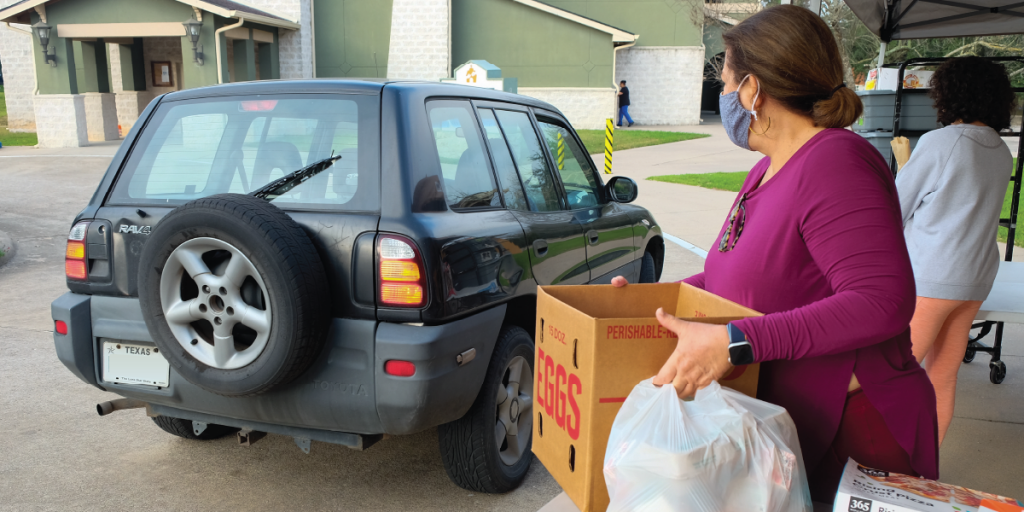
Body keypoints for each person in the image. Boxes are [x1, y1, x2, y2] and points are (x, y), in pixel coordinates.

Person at [612, 5, 938, 502]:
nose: (723, 96)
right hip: (789, 427)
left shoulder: (836, 162)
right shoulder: (767, 169)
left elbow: (882, 299)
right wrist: (651, 303)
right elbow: (735, 277)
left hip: (855, 435)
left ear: (753, 89)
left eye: (724, 82)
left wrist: (737, 342)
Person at [896, 57, 1015, 445]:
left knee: (895, 373)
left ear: (948, 93)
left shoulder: (942, 141)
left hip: (932, 275)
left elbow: (895, 207)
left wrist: (903, 165)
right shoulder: (1001, 150)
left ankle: (887, 469)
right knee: (943, 376)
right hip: (975, 277)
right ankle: (926, 470)